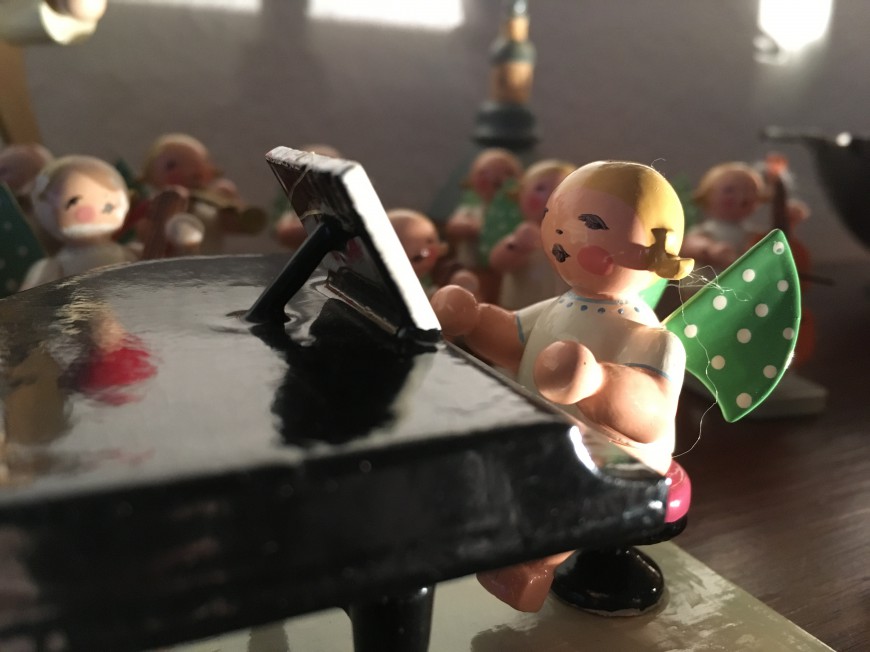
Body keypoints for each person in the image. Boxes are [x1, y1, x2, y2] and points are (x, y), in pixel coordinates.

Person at [431, 161, 694, 613]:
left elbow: (651, 416)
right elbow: (514, 337)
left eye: (590, 225)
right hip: (546, 437)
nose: (561, 235)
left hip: (619, 459)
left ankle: (533, 564)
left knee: (558, 498)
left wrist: (597, 383)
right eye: (555, 217)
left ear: (653, 252)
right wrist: (473, 319)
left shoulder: (653, 339)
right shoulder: (562, 306)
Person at [488, 159, 575, 309]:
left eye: (561, 191)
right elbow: (497, 263)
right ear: (521, 195)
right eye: (540, 189)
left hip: (560, 311)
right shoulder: (522, 233)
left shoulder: (573, 238)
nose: (551, 197)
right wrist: (517, 245)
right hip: (519, 310)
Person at [681, 162, 765, 272]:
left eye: (749, 191)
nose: (741, 197)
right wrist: (710, 250)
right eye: (729, 190)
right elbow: (689, 244)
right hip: (709, 281)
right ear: (708, 195)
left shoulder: (753, 235)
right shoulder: (706, 231)